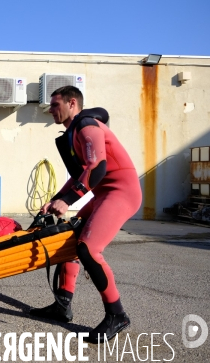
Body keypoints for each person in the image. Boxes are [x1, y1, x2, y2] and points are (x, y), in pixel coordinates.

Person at [29, 86, 141, 343]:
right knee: (68, 238)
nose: (50, 110)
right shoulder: (72, 133)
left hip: (122, 192)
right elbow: (81, 176)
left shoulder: (87, 126)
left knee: (88, 248)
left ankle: (117, 314)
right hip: (105, 193)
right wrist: (57, 200)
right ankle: (62, 304)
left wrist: (68, 200)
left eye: (55, 105)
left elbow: (97, 168)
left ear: (72, 103)